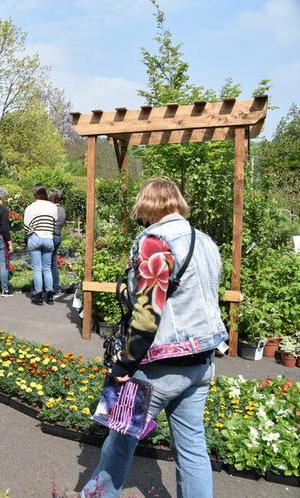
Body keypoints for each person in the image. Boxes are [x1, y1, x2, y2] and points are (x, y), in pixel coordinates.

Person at [81, 178, 227, 498]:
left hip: (157, 365)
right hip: (200, 361)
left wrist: (123, 366)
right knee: (192, 451)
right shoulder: (205, 241)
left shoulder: (154, 241)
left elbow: (146, 315)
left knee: (118, 444)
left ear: (146, 206)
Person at [23, 184, 57, 305]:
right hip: (48, 238)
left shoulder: (31, 207)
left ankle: (38, 296)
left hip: (35, 237)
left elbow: (26, 226)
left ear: (35, 194)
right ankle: (49, 296)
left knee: (37, 269)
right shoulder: (53, 207)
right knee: (47, 268)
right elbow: (54, 222)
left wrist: (28, 235)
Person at [49, 189, 67, 296]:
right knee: (54, 263)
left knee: (46, 263)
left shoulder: (51, 209)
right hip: (58, 236)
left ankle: (46, 288)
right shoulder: (62, 210)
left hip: (50, 236)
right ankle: (55, 288)